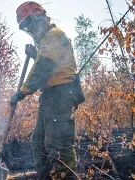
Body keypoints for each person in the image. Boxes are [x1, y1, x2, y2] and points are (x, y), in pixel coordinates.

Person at [11, 1, 85, 179]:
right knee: (38, 142)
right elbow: (50, 62)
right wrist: (34, 55)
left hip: (61, 93)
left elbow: (44, 68)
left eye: (30, 25)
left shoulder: (53, 34)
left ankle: (66, 176)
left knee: (57, 144)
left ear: (37, 20)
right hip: (50, 96)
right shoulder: (47, 40)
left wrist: (21, 92)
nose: (31, 31)